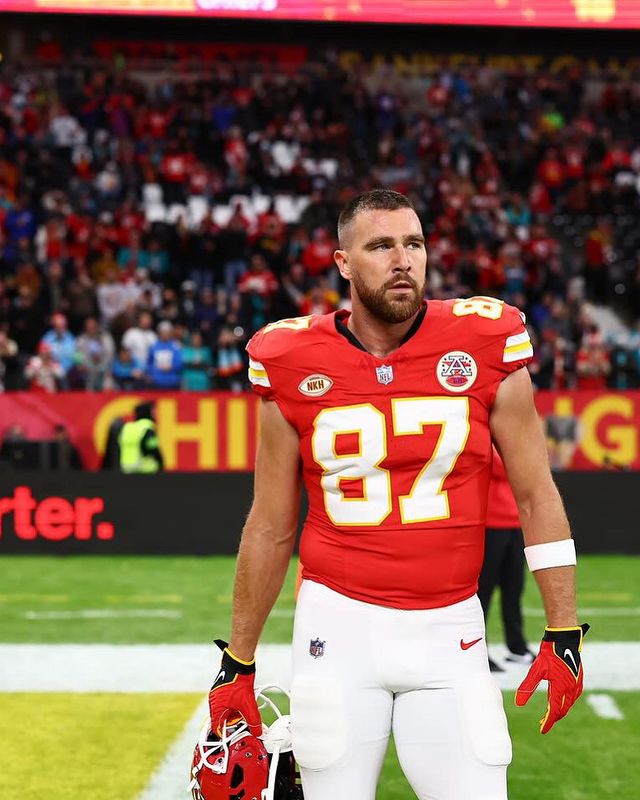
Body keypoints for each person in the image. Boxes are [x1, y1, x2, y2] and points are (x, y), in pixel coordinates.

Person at [209, 190, 588, 800]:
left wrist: (563, 630)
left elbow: (536, 495)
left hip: (451, 627)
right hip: (336, 627)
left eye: (414, 243)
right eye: (381, 245)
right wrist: (239, 660)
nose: (403, 260)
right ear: (343, 262)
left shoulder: (484, 339)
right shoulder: (288, 357)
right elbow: (271, 525)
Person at [478, 447, 533, 673]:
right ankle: (479, 651)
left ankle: (517, 647)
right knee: (483, 592)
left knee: (514, 589)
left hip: (514, 523)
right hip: (490, 524)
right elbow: (507, 467)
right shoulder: (486, 441)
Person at [118, 401, 164, 473]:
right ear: (147, 412)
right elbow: (153, 448)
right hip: (145, 470)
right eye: (153, 412)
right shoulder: (147, 427)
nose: (156, 415)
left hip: (126, 470)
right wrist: (161, 463)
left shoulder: (127, 428)